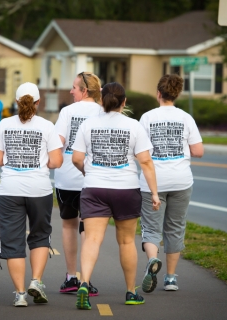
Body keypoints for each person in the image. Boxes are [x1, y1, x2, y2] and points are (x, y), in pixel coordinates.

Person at [72, 82, 160, 309]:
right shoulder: (134, 126)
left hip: (94, 188)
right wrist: (155, 193)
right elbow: (146, 162)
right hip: (126, 189)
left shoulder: (88, 124)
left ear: (101, 101)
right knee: (127, 241)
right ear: (124, 102)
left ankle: (83, 283)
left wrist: (87, 171)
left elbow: (76, 158)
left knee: (92, 239)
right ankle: (131, 292)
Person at [0, 82, 63, 307]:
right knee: (40, 235)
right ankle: (36, 281)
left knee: (13, 240)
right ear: (38, 102)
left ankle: (20, 294)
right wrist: (43, 162)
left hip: (10, 189)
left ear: (16, 101)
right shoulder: (46, 125)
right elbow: (57, 161)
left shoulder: (4, 124)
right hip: (39, 189)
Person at [138, 74, 204, 293]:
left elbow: (140, 151)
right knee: (175, 228)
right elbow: (198, 151)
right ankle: (171, 279)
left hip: (152, 182)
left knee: (151, 227)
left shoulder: (147, 118)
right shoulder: (186, 118)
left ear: (159, 93)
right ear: (176, 94)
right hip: (181, 181)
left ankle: (151, 262)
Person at [54, 72, 103, 296]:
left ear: (84, 90)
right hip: (93, 179)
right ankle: (87, 279)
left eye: (74, 87)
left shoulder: (67, 112)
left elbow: (58, 142)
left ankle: (71, 277)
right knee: (88, 229)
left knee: (69, 225)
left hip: (67, 178)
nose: (71, 91)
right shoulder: (103, 112)